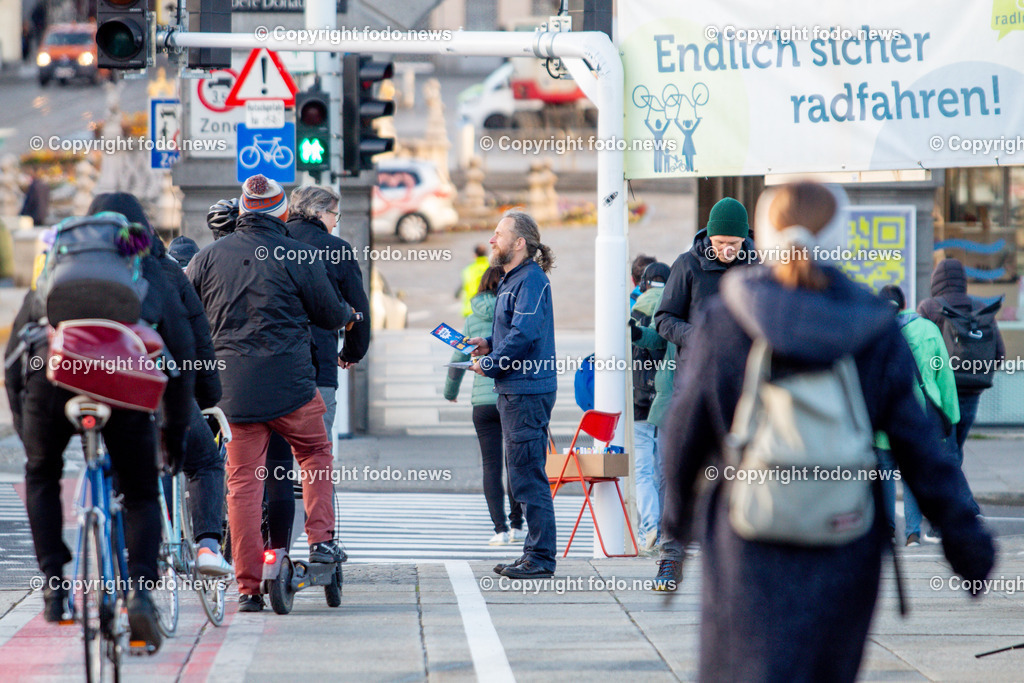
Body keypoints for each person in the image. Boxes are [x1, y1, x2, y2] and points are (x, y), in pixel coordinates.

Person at [661, 181, 995, 682]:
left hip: (748, 539)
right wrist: (967, 545)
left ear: (767, 237)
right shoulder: (872, 324)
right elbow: (921, 445)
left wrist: (677, 527)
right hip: (844, 540)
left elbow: (683, 439)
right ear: (839, 239)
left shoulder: (726, 319)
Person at [6, 194, 198, 651]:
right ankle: (141, 594)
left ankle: (54, 583)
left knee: (42, 474)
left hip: (51, 379)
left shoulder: (58, 265)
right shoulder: (150, 269)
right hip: (122, 380)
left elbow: (15, 354)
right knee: (140, 491)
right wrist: (173, 433)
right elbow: (182, 356)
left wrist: (26, 431)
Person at [187, 174, 352, 612]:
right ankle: (321, 544)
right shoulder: (297, 253)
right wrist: (349, 314)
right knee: (315, 454)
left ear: (242, 211)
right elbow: (327, 312)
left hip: (234, 393)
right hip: (292, 388)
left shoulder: (206, 258)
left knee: (241, 484)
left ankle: (246, 586)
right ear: (282, 212)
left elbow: (189, 317)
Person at [89, 193, 230, 577]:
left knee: (120, 475)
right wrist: (206, 397)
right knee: (203, 462)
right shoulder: (164, 271)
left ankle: (114, 569)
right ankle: (207, 548)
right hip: (155, 388)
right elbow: (195, 343)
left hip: (95, 393)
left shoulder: (76, 267)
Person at [649, 196, 756, 590]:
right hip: (694, 387)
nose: (727, 250)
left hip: (744, 393)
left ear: (746, 238)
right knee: (678, 476)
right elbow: (664, 319)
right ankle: (670, 559)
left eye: (734, 243)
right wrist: (700, 338)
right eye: (720, 242)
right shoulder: (688, 265)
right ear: (709, 236)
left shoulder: (757, 268)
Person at [467, 210, 558, 579]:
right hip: (515, 389)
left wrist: (490, 364)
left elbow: (524, 335)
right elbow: (513, 333)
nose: (492, 240)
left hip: (525, 390)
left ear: (519, 243)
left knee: (527, 477)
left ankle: (540, 559)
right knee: (522, 475)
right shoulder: (513, 278)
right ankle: (532, 553)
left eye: (499, 234)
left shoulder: (531, 280)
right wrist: (488, 343)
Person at [918, 257, 1005, 516]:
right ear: (963, 280)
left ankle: (968, 510)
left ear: (936, 280)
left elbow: (922, 353)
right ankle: (946, 513)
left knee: (947, 455)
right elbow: (999, 353)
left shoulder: (930, 307)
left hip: (942, 393)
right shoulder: (981, 308)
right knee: (952, 451)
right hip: (973, 390)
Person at [875, 284, 960, 547]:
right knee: (912, 472)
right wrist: (950, 415)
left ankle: (888, 531)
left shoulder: (873, 331)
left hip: (884, 417)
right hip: (918, 416)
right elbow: (944, 376)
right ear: (905, 304)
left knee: (885, 474)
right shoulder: (928, 329)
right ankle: (913, 534)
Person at [445, 266, 524, 545]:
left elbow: (458, 358)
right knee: (513, 461)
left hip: (482, 403)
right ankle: (517, 525)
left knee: (491, 465)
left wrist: (450, 392)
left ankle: (499, 530)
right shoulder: (513, 313)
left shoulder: (470, 319)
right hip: (509, 395)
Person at [629, 261, 670, 551]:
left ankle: (650, 527)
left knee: (642, 469)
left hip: (640, 400)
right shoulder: (675, 307)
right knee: (663, 468)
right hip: (668, 397)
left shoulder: (636, 306)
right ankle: (668, 528)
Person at [457, 244, 490, 317]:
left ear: (475, 255)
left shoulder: (468, 269)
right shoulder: (492, 267)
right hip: (488, 309)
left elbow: (463, 285)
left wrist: (456, 294)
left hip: (471, 309)